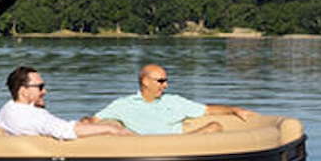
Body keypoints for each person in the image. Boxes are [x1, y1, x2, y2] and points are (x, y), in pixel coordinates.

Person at [87, 63, 253, 135]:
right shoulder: (123, 105)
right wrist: (84, 123)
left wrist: (234, 109)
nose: (165, 85)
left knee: (214, 126)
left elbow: (207, 110)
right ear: (145, 82)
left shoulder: (173, 101)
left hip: (180, 146)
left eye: (166, 81)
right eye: (161, 81)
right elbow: (93, 120)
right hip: (141, 148)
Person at [0, 67, 133, 138]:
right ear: (24, 91)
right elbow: (66, 131)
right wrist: (111, 129)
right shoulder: (33, 116)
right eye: (40, 87)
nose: (45, 91)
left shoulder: (7, 110)